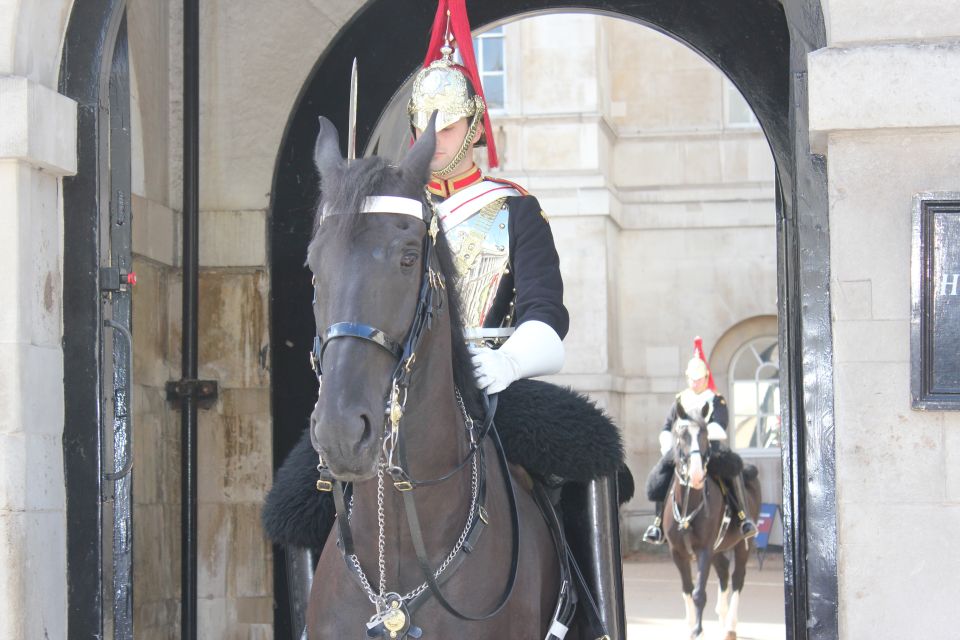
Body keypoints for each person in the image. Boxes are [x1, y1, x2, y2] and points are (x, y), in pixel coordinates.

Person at [408, 18, 568, 392]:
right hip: (405, 379)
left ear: (475, 129)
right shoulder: (397, 208)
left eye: (447, 127)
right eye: (424, 126)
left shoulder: (517, 211)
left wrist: (509, 362)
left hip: (492, 375)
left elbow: (544, 309)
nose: (433, 138)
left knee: (578, 440)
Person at [642, 340, 759, 545]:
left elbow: (721, 424)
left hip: (710, 448)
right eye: (692, 379)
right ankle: (658, 523)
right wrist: (667, 444)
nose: (696, 383)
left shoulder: (715, 399)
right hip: (684, 450)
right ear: (688, 378)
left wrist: (702, 437)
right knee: (662, 475)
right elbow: (668, 425)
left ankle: (743, 517)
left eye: (699, 379)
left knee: (732, 469)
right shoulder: (680, 399)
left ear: (706, 378)